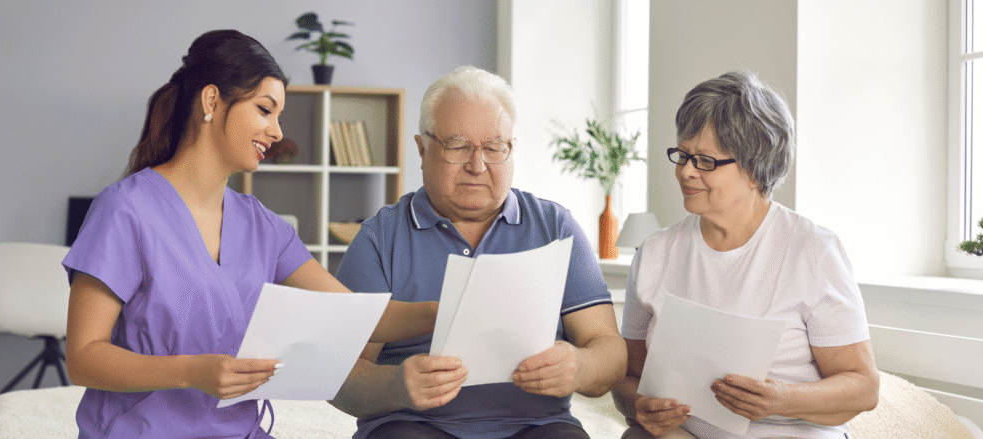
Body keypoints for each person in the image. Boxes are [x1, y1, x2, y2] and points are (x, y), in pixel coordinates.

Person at [62, 30, 437, 439]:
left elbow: (354, 316)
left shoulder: (262, 225)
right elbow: (83, 357)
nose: (277, 132)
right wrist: (192, 371)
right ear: (211, 102)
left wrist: (442, 313)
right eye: (265, 110)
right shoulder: (124, 211)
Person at [331, 66, 627, 439]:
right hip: (411, 424)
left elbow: (609, 350)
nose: (477, 165)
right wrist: (394, 385)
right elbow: (338, 375)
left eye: (493, 147)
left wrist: (580, 366)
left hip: (539, 426)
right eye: (457, 146)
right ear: (422, 150)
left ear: (511, 150)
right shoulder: (379, 238)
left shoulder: (556, 227)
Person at [612, 71, 879, 439]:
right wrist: (638, 408)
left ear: (755, 169)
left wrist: (781, 399)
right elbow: (628, 377)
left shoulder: (812, 251)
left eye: (705, 160)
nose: (685, 172)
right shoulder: (655, 253)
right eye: (683, 155)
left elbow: (864, 387)